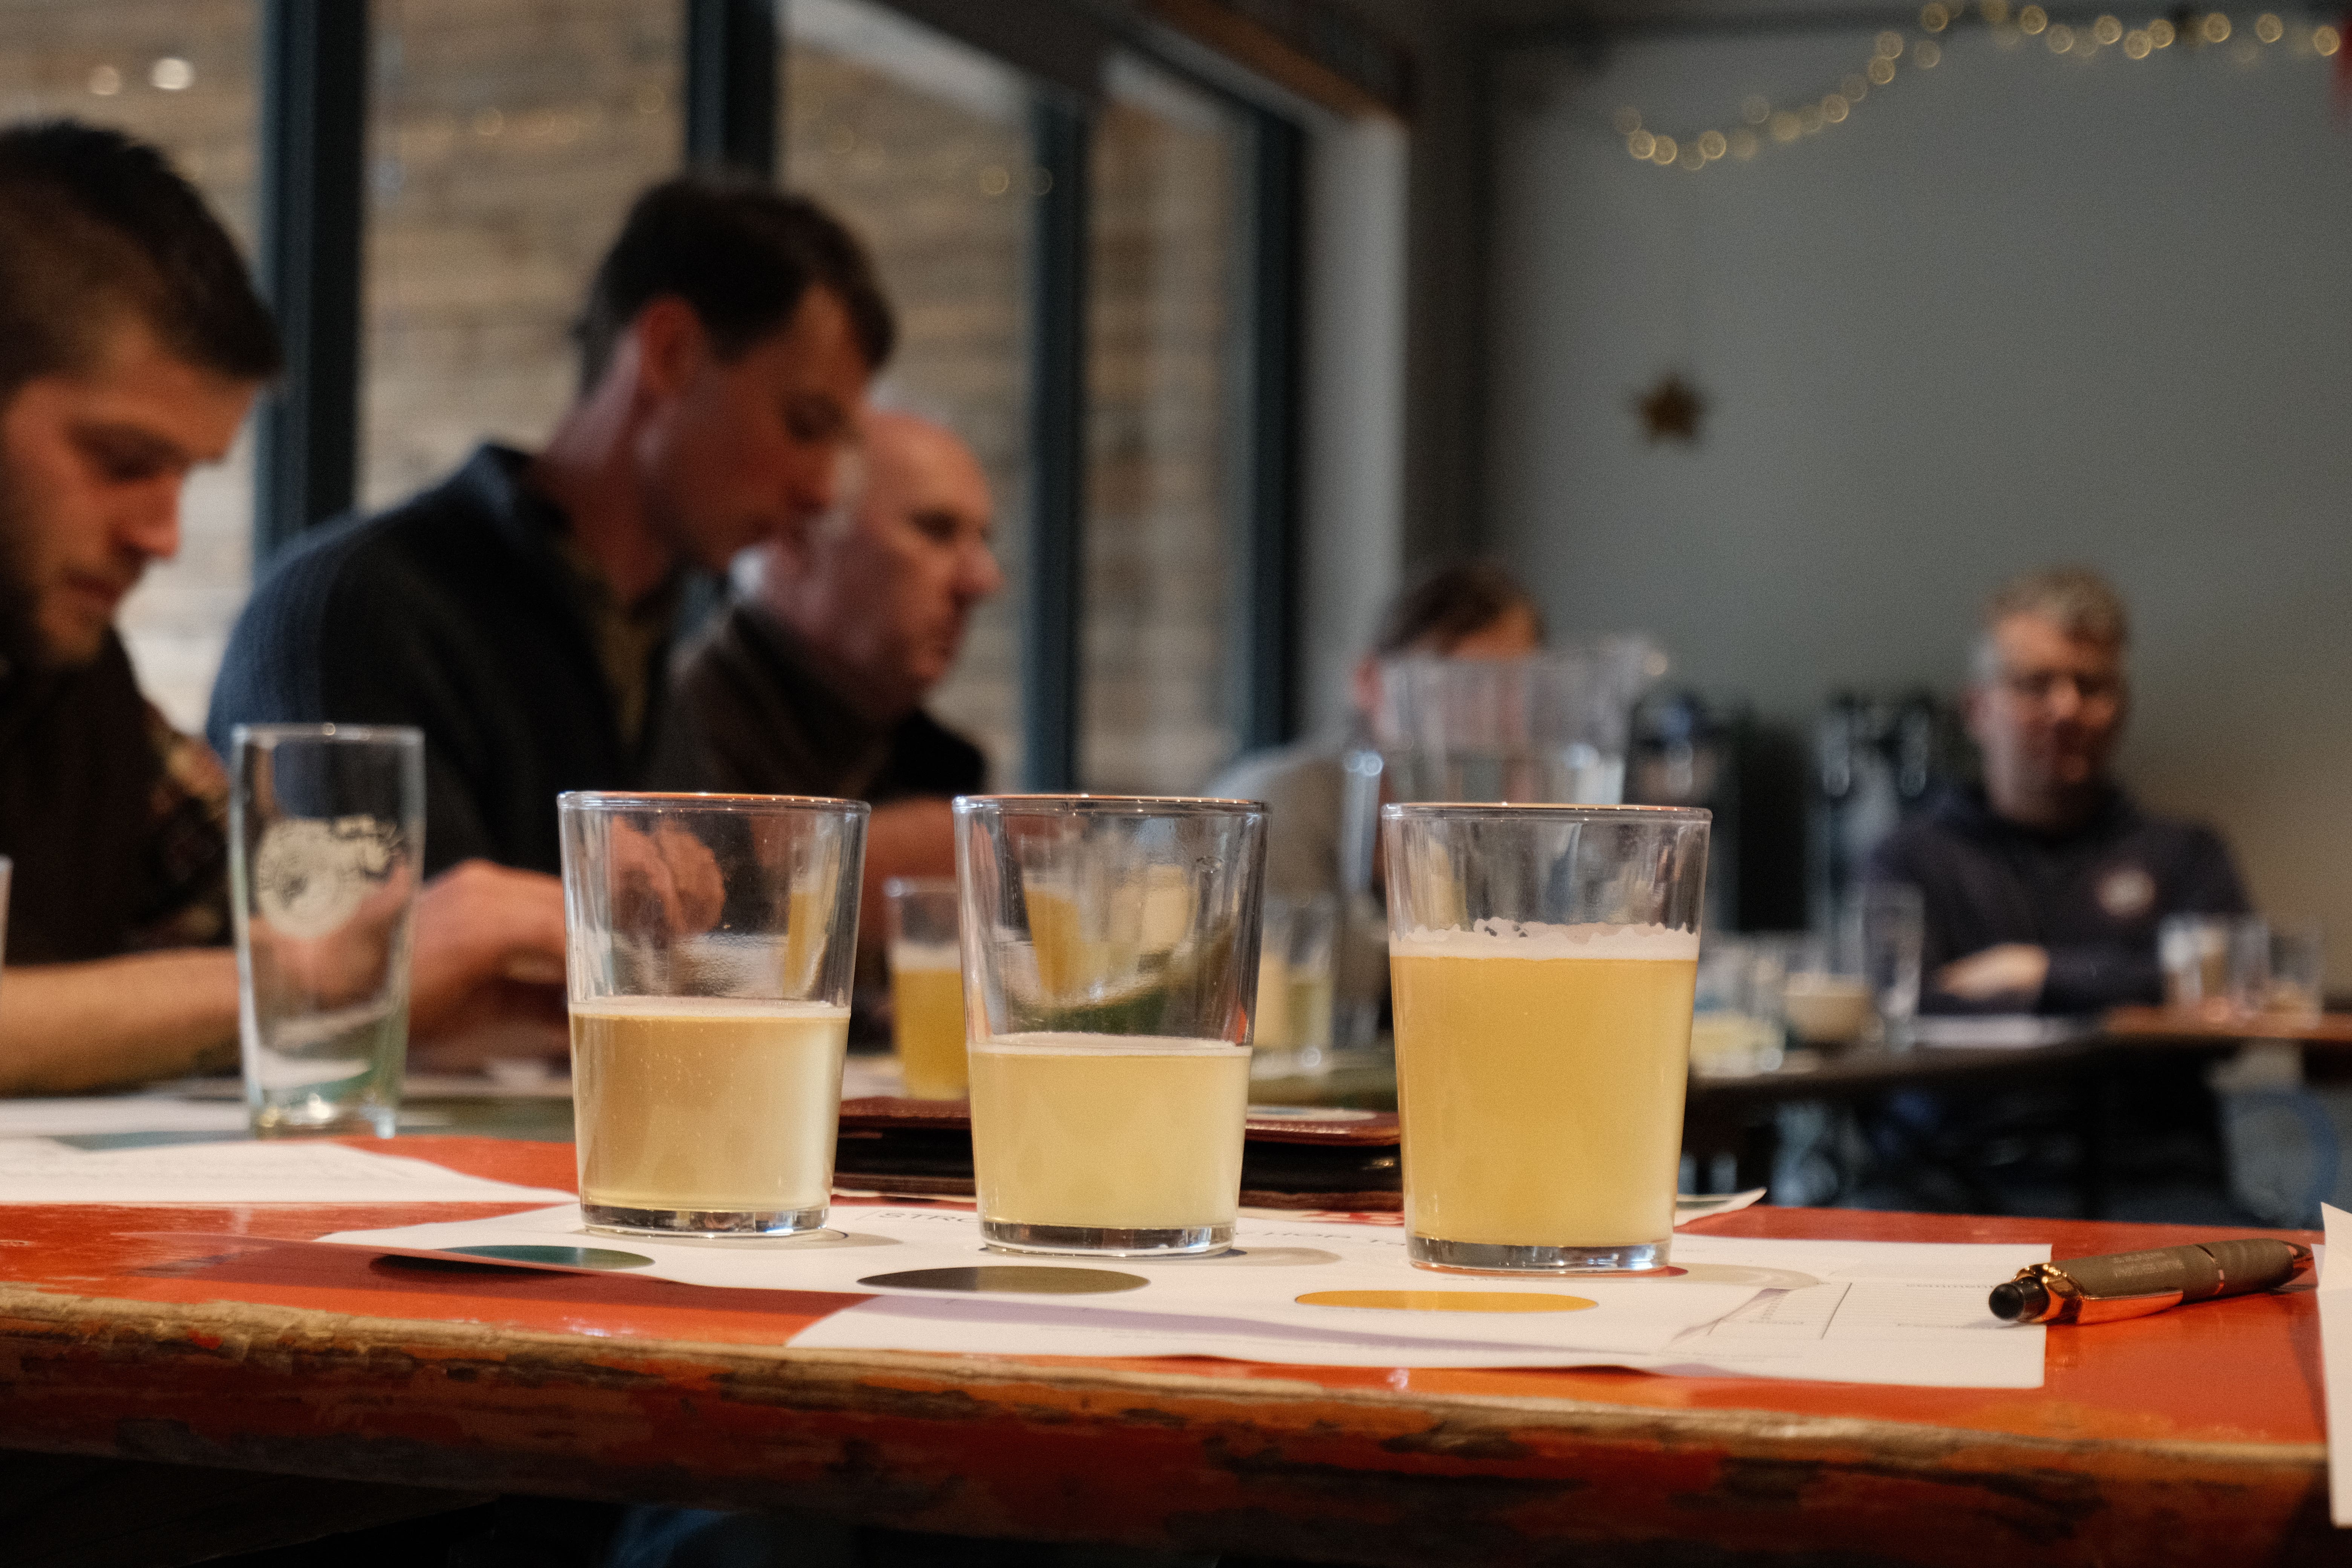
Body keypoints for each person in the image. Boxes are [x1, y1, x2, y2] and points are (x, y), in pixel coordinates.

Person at [0, 121, 568, 1093]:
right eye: (122, 462)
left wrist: (407, 994)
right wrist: (316, 977)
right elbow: (282, 966)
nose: (162, 535)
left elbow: (245, 926)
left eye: (185, 476)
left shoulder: (76, 683)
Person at [208, 175, 894, 877]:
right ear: (670, 353)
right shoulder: (354, 611)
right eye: (805, 424)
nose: (819, 490)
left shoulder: (641, 651)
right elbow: (369, 965)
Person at [645, 408, 1001, 940]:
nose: (983, 580)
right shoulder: (665, 738)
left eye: (982, 541)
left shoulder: (940, 762)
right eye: (936, 531)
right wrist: (839, 872)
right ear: (796, 540)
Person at [1869, 565, 2249, 1014]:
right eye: (2035, 684)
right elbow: (1897, 1009)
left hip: (2142, 1087)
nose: (2066, 708)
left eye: (2090, 686)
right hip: (1980, 1087)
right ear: (1977, 710)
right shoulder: (1911, 861)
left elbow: (2229, 992)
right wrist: (2126, 985)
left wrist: (2035, 972)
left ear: (2121, 707)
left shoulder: (2186, 854)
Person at [1205, 560, 1545, 906]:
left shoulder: (1507, 820)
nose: (1493, 714)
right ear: (1368, 681)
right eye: (1457, 686)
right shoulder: (1278, 808)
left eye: (1514, 687)